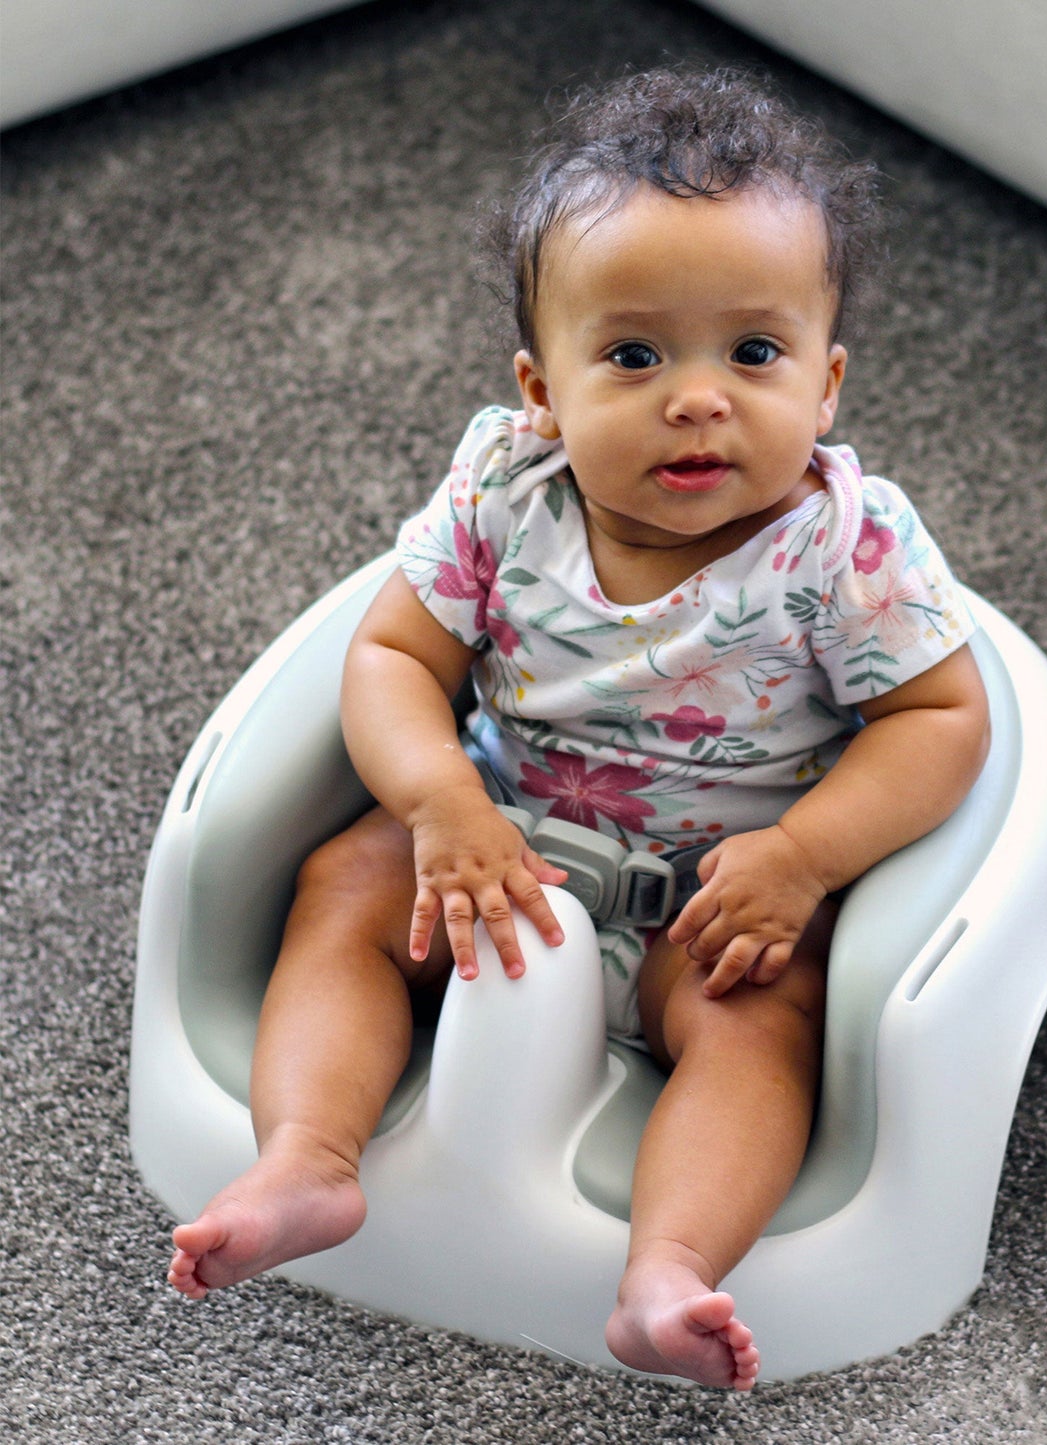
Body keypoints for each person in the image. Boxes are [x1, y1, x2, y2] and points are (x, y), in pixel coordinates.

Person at [166, 65, 991, 1391]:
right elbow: (387, 652)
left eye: (755, 353)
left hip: (711, 897)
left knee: (763, 1013)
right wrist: (439, 800)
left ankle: (667, 1265)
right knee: (342, 881)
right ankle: (306, 1159)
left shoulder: (846, 546)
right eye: (632, 354)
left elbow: (943, 718)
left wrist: (806, 855)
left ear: (827, 384)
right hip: (496, 845)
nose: (698, 397)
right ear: (540, 389)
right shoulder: (504, 487)